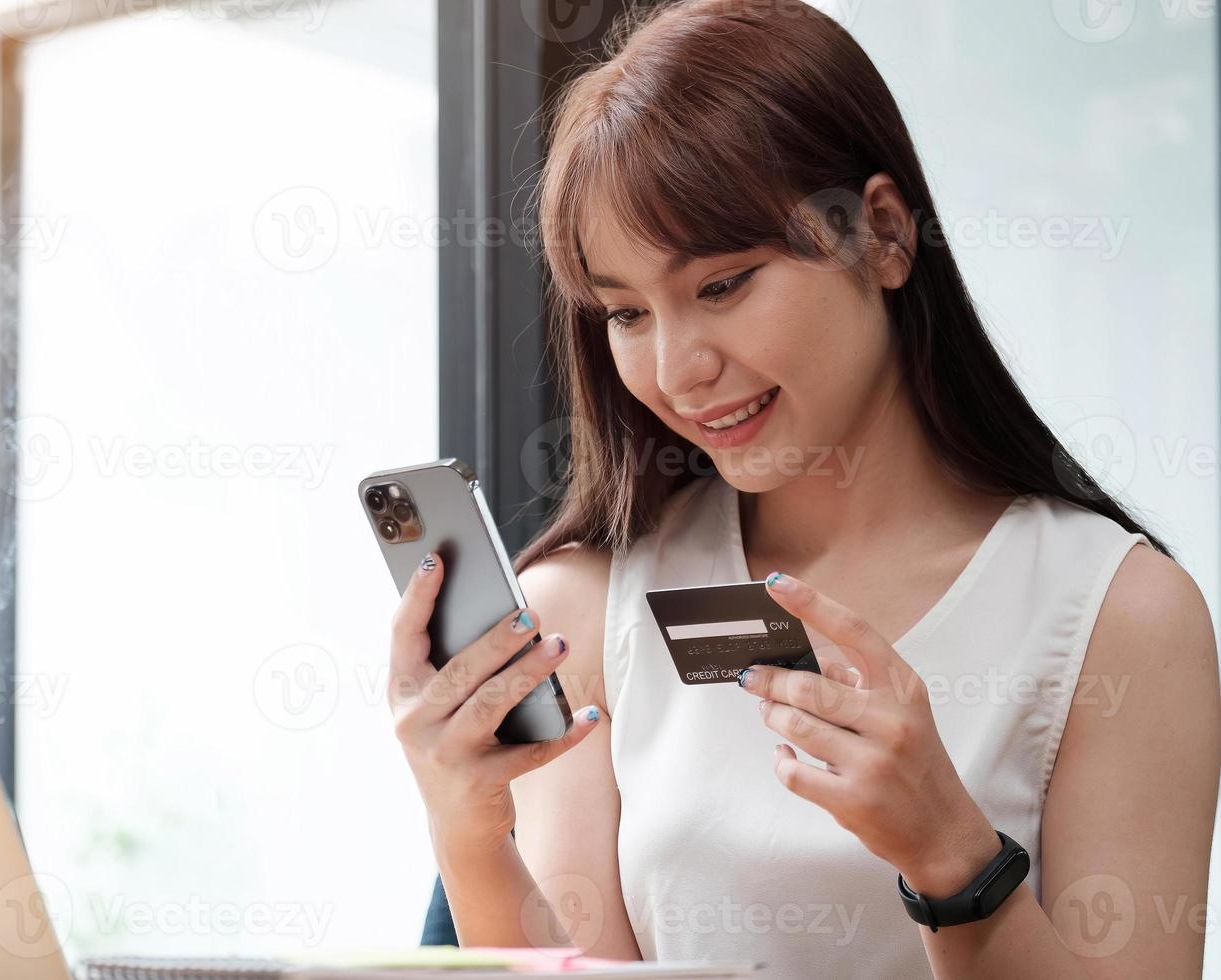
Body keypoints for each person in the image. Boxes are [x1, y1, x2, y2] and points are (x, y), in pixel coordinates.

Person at [384, 1, 1220, 976]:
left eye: (724, 283)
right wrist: (468, 830)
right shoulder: (584, 608)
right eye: (624, 312)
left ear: (883, 233)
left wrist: (953, 859)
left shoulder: (1119, 614)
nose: (677, 367)